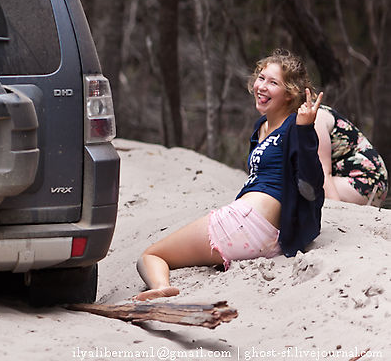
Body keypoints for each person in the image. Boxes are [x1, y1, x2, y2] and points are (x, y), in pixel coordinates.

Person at [135, 49, 325, 300]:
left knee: (150, 256)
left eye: (273, 82)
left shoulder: (293, 127)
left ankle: (160, 288)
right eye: (261, 77)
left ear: (290, 93)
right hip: (260, 232)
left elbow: (311, 184)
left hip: (250, 224)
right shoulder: (262, 127)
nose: (262, 86)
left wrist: (305, 130)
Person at [314, 105, 387, 206]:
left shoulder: (317, 117)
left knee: (305, 187)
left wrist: (335, 210)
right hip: (338, 179)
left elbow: (323, 171)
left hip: (366, 181)